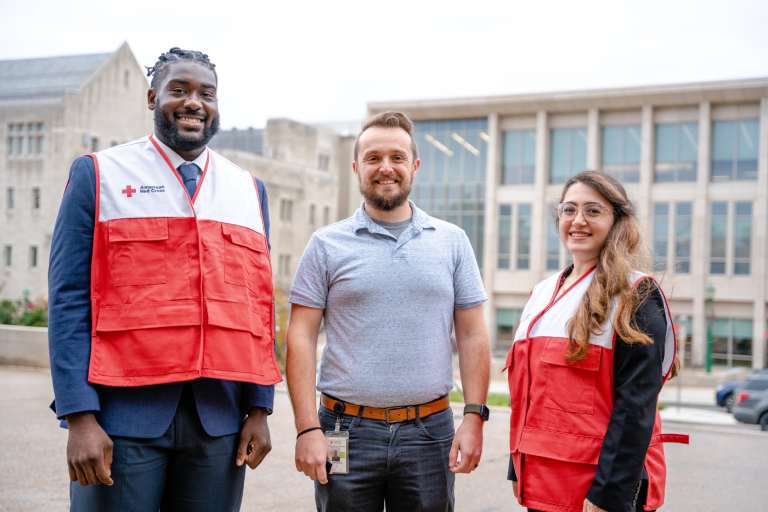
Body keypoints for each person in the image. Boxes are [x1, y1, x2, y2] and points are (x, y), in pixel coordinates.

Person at [48, 47, 281, 511]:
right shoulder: (100, 174)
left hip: (218, 422)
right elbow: (69, 299)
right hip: (121, 418)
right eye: (180, 90)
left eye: (206, 93)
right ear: (153, 97)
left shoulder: (247, 189)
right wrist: (79, 416)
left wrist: (259, 407)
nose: (194, 101)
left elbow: (256, 305)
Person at [286, 111, 491, 512]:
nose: (385, 167)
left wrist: (474, 417)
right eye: (373, 157)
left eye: (397, 157)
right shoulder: (326, 244)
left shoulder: (452, 242)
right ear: (356, 167)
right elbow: (301, 335)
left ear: (414, 166)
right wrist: (306, 427)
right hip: (343, 431)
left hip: (429, 434)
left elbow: (473, 334)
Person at [505, 171, 688, 512]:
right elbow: (531, 397)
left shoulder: (637, 294)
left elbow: (635, 407)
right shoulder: (542, 293)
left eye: (593, 210)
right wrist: (516, 465)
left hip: (597, 491)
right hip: (543, 482)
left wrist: (609, 495)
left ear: (617, 221)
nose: (578, 221)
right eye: (569, 210)